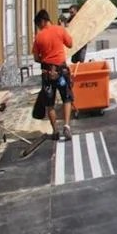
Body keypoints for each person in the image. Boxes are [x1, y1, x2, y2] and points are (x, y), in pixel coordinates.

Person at [32, 9, 74, 140]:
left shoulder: (38, 37)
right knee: (67, 99)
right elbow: (70, 44)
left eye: (38, 25)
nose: (39, 28)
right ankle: (66, 126)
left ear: (42, 21)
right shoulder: (60, 30)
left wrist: (46, 59)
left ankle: (55, 130)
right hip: (62, 72)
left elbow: (36, 58)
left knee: (49, 103)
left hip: (47, 74)